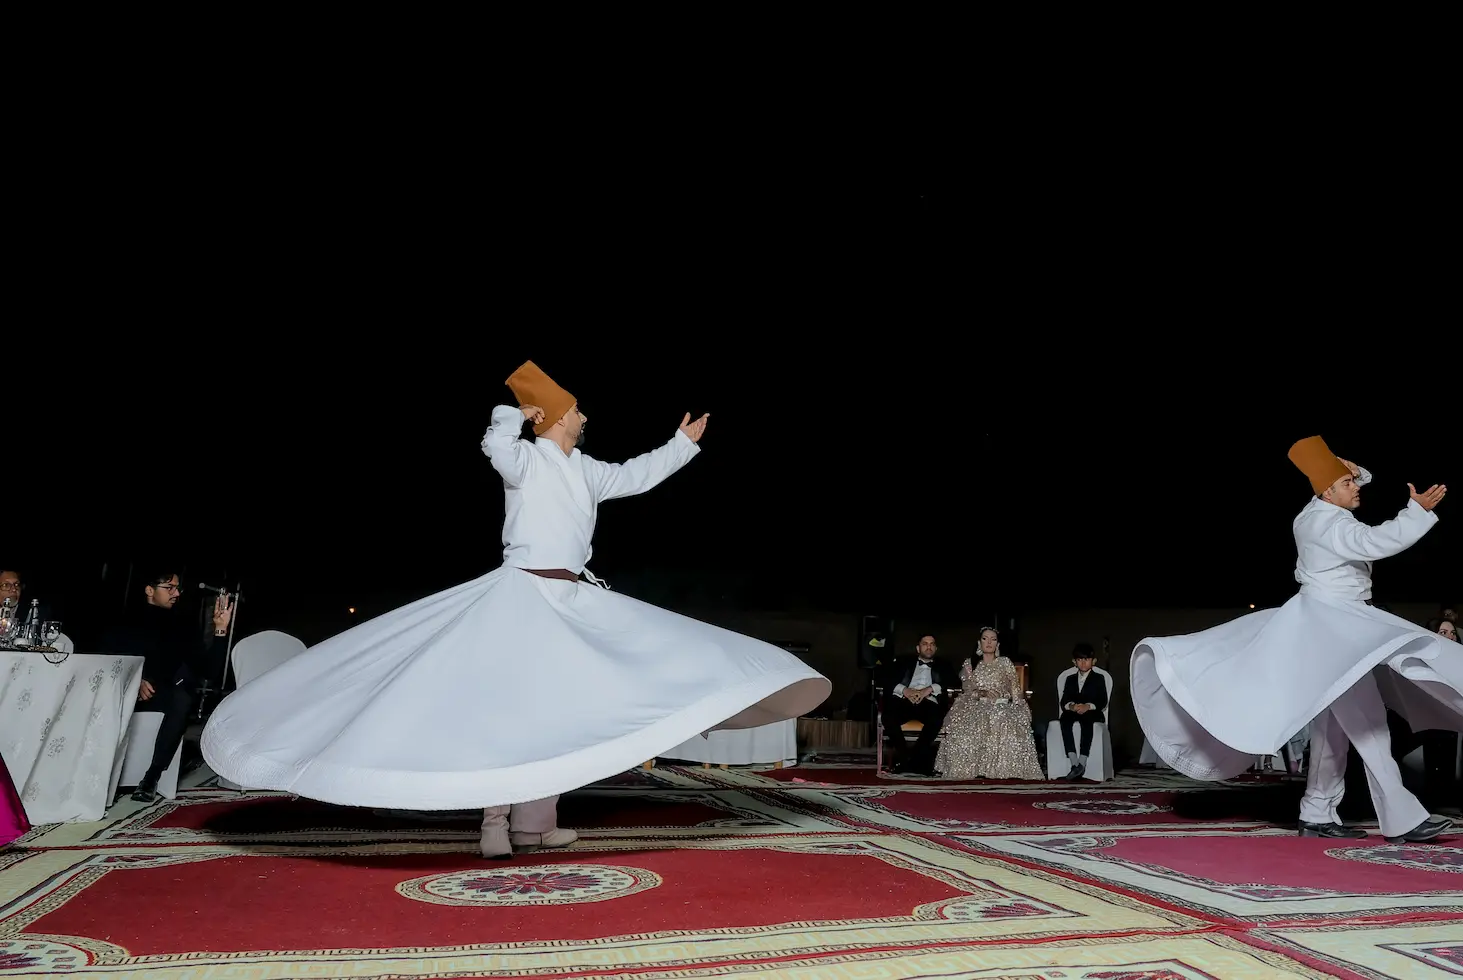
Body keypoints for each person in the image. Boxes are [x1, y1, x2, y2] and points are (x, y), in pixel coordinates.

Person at [203, 361, 829, 860]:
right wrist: (512, 413)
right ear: (555, 419)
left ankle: (537, 824)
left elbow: (637, 476)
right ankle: (495, 821)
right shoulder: (525, 460)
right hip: (521, 595)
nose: (585, 415)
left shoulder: (585, 470)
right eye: (576, 409)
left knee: (554, 708)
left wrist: (680, 445)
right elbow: (493, 446)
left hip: (572, 597)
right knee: (509, 706)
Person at [1133, 437, 1463, 843]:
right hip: (1332, 630)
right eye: (1349, 483)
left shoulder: (1317, 512)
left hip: (1336, 626)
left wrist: (1337, 468)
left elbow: (1348, 499)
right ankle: (1403, 816)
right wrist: (1417, 512)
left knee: (1333, 732)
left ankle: (1316, 811)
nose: (1359, 488)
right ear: (1329, 491)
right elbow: (1374, 542)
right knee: (1369, 726)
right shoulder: (1326, 524)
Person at [103, 572, 232, 800]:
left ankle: (151, 778)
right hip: (124, 689)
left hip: (163, 694)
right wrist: (134, 680)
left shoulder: (181, 625)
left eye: (178, 588)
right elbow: (110, 659)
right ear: (149, 590)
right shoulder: (125, 620)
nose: (176, 593)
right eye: (169, 588)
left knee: (182, 699)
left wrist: (220, 629)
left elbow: (209, 671)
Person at [935, 628, 1043, 780]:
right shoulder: (970, 664)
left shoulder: (1005, 663)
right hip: (976, 703)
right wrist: (981, 693)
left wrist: (1020, 708)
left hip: (1002, 704)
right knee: (968, 722)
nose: (989, 642)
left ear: (997, 644)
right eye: (985, 639)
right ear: (979, 642)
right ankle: (971, 768)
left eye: (993, 639)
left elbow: (1015, 690)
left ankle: (1001, 769)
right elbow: (967, 689)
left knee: (1002, 718)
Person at [883, 635, 947, 775]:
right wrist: (905, 691)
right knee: (888, 717)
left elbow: (952, 682)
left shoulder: (943, 665)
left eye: (932, 644)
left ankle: (913, 759)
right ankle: (905, 756)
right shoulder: (903, 662)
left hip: (929, 702)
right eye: (925, 644)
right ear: (918, 648)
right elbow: (888, 681)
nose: (928, 646)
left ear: (936, 648)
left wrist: (929, 689)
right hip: (904, 701)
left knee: (936, 719)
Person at [1056, 642, 1110, 780]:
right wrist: (1072, 706)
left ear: (1093, 661)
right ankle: (1075, 763)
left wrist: (1088, 706)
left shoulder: (1099, 678)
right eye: (1079, 660)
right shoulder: (1070, 679)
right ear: (1074, 662)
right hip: (1074, 711)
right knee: (1064, 720)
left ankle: (1083, 760)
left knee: (1087, 721)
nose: (1083, 663)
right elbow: (1064, 700)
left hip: (1092, 712)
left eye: (1086, 659)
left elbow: (1103, 700)